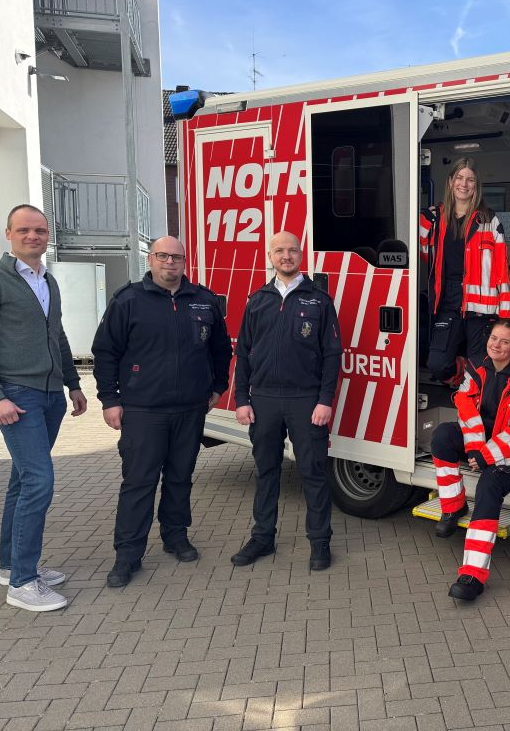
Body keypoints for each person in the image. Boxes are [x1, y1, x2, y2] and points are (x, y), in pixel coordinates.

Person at [0, 204, 87, 612]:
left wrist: (73, 384)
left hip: (50, 395)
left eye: (40, 231)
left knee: (22, 482)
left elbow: (59, 337)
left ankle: (11, 565)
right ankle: (24, 583)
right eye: (25, 230)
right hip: (17, 394)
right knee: (39, 482)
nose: (34, 237)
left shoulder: (47, 280)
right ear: (8, 234)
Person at [92, 237, 232, 588]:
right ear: (151, 259)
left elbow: (220, 348)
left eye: (177, 257)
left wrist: (217, 387)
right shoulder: (128, 300)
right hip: (143, 410)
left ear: (185, 261)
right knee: (139, 482)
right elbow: (105, 352)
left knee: (180, 476)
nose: (170, 262)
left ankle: (175, 536)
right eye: (163, 256)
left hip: (190, 408)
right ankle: (128, 554)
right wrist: (110, 400)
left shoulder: (203, 300)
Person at [231, 232, 342, 571]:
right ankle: (262, 538)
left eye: (292, 250)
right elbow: (243, 353)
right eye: (279, 250)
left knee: (312, 472)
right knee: (266, 471)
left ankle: (320, 542)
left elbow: (332, 354)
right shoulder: (258, 299)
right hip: (263, 400)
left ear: (301, 254)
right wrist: (241, 399)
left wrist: (325, 400)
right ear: (270, 256)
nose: (286, 256)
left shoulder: (319, 300)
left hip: (305, 401)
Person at [428, 320, 510, 601]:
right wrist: (476, 449)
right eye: (494, 338)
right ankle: (453, 507)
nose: (496, 345)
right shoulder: (476, 366)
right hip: (481, 444)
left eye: (505, 341)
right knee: (442, 437)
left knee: (488, 488)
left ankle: (472, 575)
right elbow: (464, 404)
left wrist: (485, 456)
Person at [419, 157, 510, 387]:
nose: (464, 184)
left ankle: (469, 399)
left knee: (480, 370)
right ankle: (460, 371)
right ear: (451, 181)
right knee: (437, 364)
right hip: (448, 302)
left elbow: (501, 267)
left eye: (470, 179)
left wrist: (505, 315)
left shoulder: (489, 220)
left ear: (476, 185)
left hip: (481, 307)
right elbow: (426, 256)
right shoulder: (433, 218)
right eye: (460, 178)